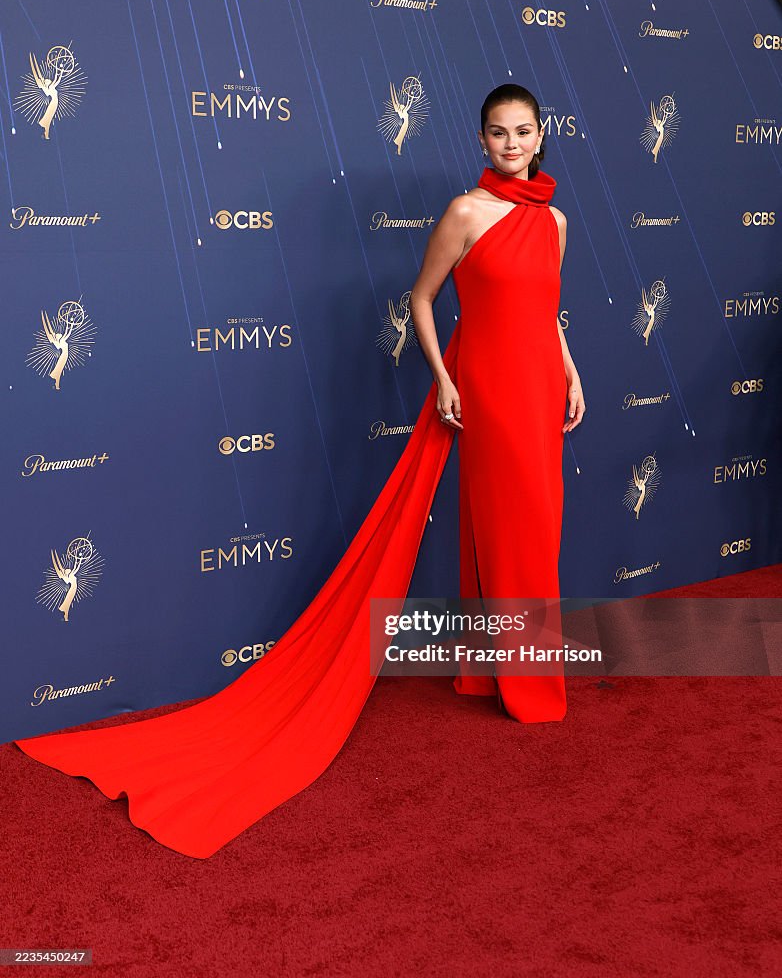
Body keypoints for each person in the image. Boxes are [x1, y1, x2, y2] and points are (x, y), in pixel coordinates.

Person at [13, 84, 585, 859]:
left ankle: (495, 671)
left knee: (530, 526)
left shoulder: (553, 220)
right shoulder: (465, 213)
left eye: (522, 132)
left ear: (541, 135)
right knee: (510, 524)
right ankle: (527, 683)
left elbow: (546, 310)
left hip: (541, 385)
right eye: (497, 133)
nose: (511, 144)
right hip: (485, 388)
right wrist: (443, 379)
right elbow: (421, 300)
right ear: (481, 140)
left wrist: (571, 369)